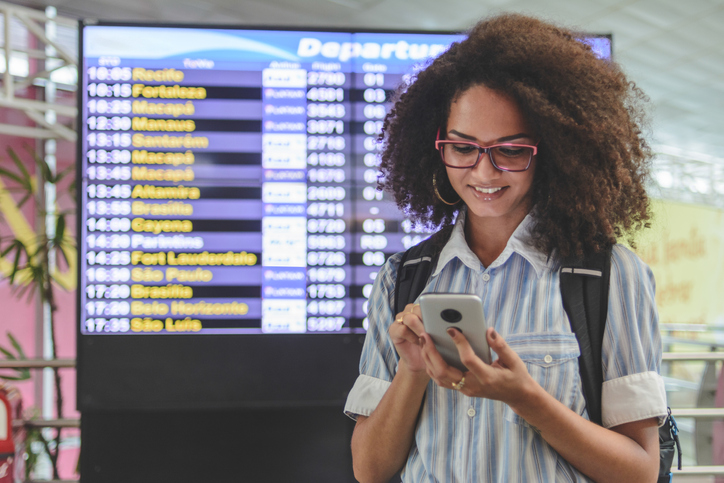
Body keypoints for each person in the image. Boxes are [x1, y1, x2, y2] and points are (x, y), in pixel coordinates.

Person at [344, 13, 668, 483]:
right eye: (463, 147)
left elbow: (639, 470)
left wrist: (524, 397)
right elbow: (370, 469)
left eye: (511, 151)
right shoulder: (404, 277)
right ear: (437, 147)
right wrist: (413, 370)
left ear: (553, 150)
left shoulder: (608, 275)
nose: (483, 172)